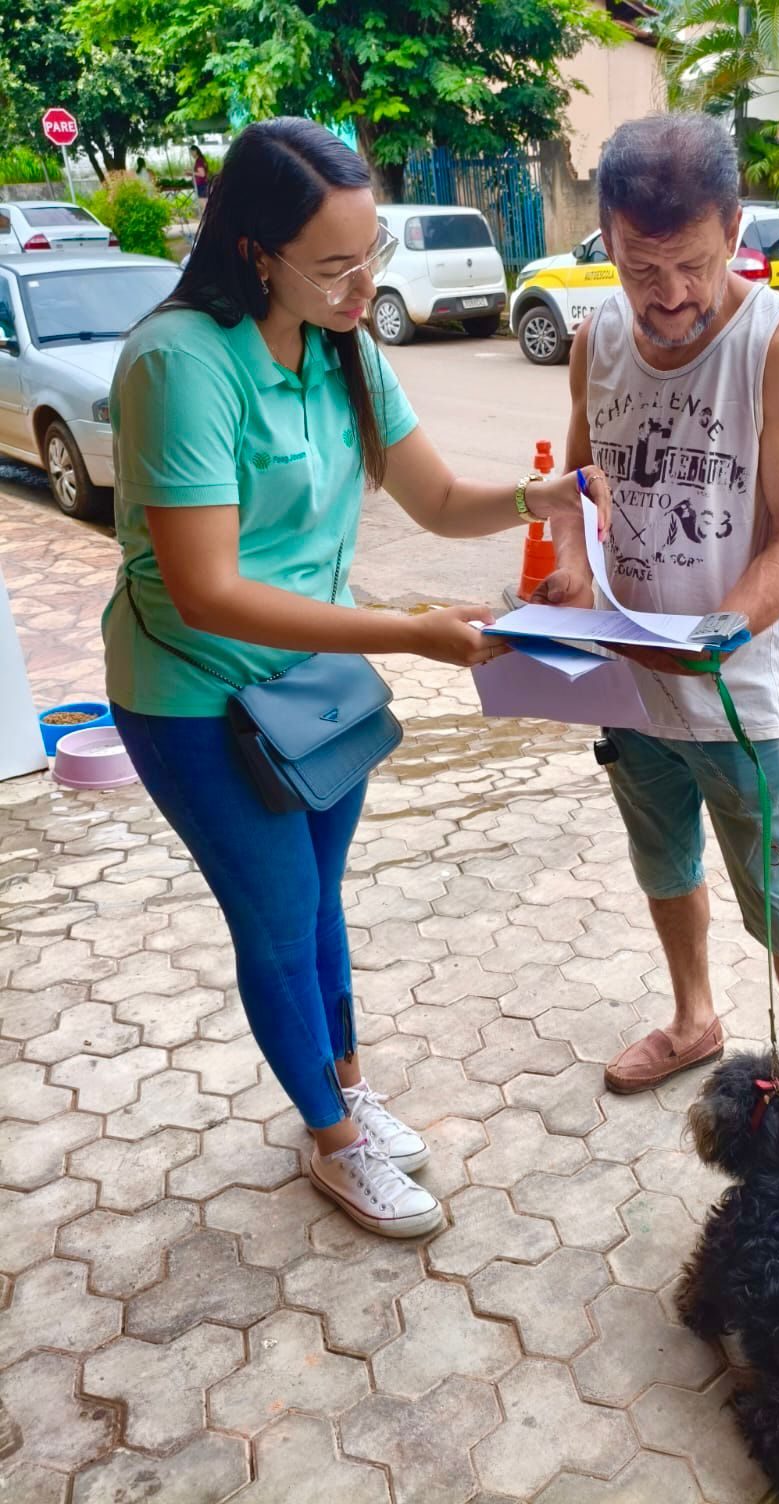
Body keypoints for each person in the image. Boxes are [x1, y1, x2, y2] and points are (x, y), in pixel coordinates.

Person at [101, 118, 610, 1238]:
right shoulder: (179, 364)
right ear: (254, 253)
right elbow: (206, 591)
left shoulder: (341, 344)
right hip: (197, 693)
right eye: (334, 266)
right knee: (279, 920)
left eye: (368, 254)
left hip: (313, 683)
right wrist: (411, 634)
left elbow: (437, 499)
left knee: (320, 900)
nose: (362, 287)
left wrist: (540, 497)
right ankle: (334, 1143)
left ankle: (345, 1085)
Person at [540, 114, 779, 1120]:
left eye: (691, 264)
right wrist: (571, 577)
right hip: (627, 685)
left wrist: (719, 633)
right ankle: (693, 1018)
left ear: (732, 231)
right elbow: (582, 488)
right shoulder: (595, 340)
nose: (669, 293)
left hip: (734, 697)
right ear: (607, 241)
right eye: (641, 268)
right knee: (662, 861)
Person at [191, 146, 209, 211]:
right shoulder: (201, 160)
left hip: (201, 185)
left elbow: (202, 174)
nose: (191, 154)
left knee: (204, 205)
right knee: (204, 205)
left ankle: (206, 217)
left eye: (191, 152)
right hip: (203, 184)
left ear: (195, 151)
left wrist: (191, 172)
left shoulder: (199, 161)